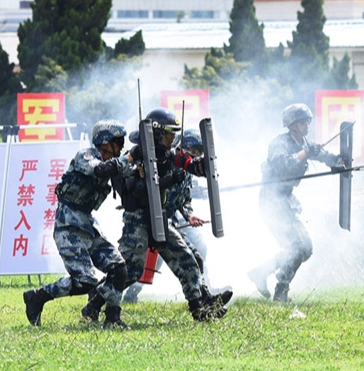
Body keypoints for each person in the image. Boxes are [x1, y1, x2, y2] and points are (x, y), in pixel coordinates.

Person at [112, 108, 232, 323]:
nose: (173, 138)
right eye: (169, 134)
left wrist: (204, 166)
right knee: (131, 270)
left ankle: (200, 308)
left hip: (161, 219)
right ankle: (97, 302)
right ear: (157, 134)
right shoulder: (137, 155)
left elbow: (191, 166)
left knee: (188, 257)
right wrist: (169, 181)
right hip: (138, 220)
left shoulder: (171, 154)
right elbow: (136, 187)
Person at [22, 120, 138, 329]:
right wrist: (130, 158)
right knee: (85, 281)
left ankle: (113, 318)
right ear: (105, 141)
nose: (121, 147)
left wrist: (142, 161)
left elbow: (128, 171)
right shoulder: (86, 156)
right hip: (68, 225)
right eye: (118, 142)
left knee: (118, 268)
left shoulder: (112, 162)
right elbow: (101, 170)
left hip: (87, 224)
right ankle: (38, 297)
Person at [249, 102, 344, 304]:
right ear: (292, 124)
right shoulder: (279, 143)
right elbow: (283, 164)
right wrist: (306, 153)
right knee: (298, 247)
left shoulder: (303, 143)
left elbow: (321, 154)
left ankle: (261, 272)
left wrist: (337, 160)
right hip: (272, 201)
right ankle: (281, 291)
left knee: (304, 249)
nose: (307, 125)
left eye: (308, 121)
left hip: (286, 201)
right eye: (302, 122)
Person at [122, 127, 209, 304]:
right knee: (137, 267)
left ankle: (203, 298)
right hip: (152, 219)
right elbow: (154, 190)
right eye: (196, 151)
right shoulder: (166, 162)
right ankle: (117, 294)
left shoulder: (185, 170)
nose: (197, 156)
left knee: (193, 256)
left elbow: (184, 199)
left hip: (168, 221)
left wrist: (189, 216)